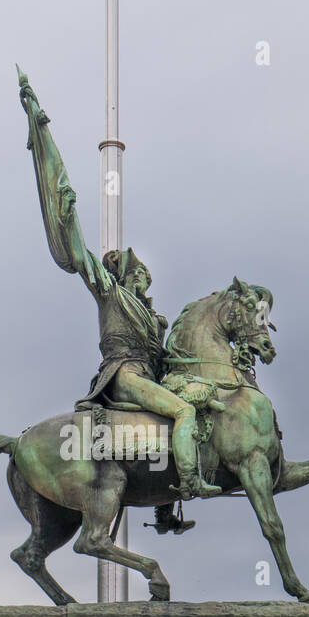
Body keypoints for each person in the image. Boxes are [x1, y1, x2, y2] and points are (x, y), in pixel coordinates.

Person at [18, 69, 220, 499]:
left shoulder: (153, 317)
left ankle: (164, 502)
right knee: (182, 413)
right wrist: (67, 213)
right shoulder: (111, 294)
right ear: (126, 275)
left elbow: (170, 360)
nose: (146, 277)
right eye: (140, 271)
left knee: (194, 412)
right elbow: (77, 254)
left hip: (151, 374)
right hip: (123, 375)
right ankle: (187, 484)